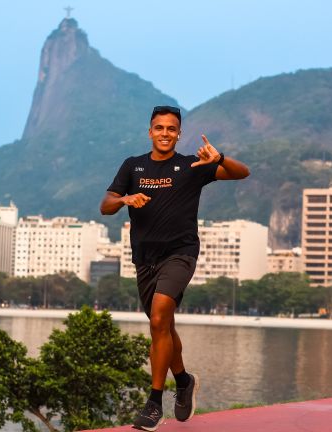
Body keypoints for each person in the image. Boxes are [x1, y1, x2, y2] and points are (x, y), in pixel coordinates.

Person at [100, 105, 250, 431]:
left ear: (179, 133)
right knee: (163, 326)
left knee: (158, 318)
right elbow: (106, 205)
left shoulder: (191, 166)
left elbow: (243, 173)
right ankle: (183, 380)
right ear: (150, 131)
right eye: (159, 128)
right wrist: (125, 200)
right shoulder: (133, 166)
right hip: (144, 259)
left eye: (171, 128)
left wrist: (220, 158)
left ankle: (154, 403)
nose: (165, 133)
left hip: (180, 254)